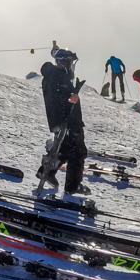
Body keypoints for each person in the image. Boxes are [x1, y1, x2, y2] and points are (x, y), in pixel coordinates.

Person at [37, 48, 89, 196]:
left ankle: (47, 172)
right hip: (68, 122)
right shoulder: (55, 76)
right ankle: (72, 186)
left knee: (66, 150)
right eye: (70, 62)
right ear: (65, 62)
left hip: (66, 121)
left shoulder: (57, 75)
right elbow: (55, 99)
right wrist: (71, 99)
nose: (72, 65)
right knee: (78, 152)